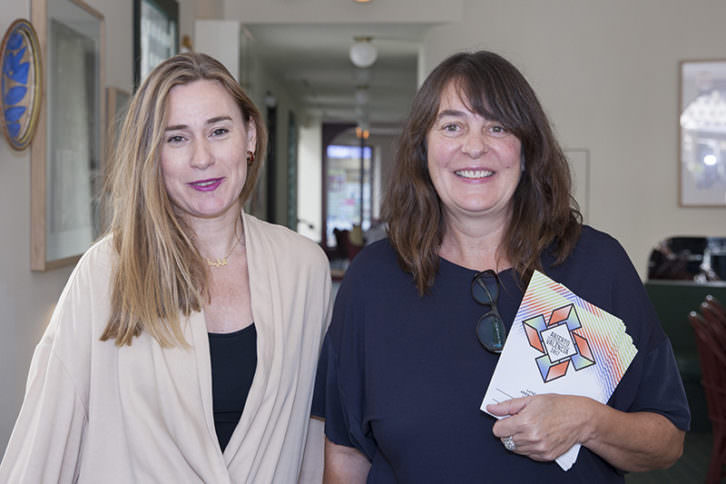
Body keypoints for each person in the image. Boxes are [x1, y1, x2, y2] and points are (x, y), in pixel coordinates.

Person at [313, 50, 689, 482]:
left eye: (497, 127)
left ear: (527, 150)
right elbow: (345, 455)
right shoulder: (373, 280)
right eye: (452, 126)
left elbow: (668, 441)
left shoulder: (597, 266)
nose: (474, 147)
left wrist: (589, 422)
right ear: (423, 150)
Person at [0, 52, 331, 483]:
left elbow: (312, 440)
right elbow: (44, 443)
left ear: (249, 136)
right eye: (176, 138)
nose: (202, 157)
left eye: (219, 131)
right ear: (152, 154)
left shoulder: (303, 270)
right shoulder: (106, 273)